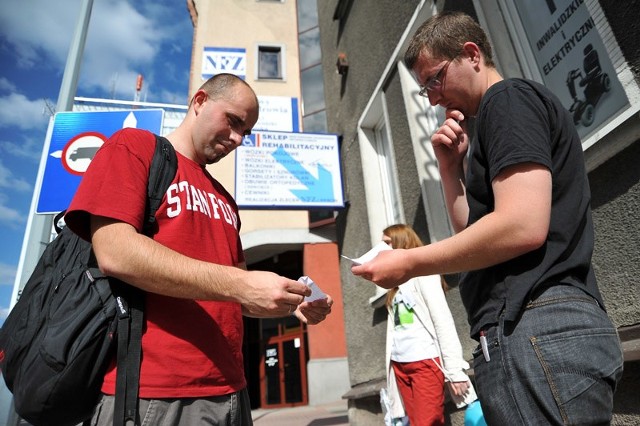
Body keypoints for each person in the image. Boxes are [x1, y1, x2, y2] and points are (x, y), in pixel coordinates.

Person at [352, 11, 623, 425]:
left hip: (539, 322)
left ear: (471, 54)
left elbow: (521, 227)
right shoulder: (490, 125)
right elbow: (478, 239)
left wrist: (410, 263)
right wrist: (449, 170)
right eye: (424, 89)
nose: (433, 98)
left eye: (434, 79)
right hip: (527, 329)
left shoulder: (508, 100)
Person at [64, 73, 333, 426]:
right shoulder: (134, 147)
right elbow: (114, 251)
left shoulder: (225, 200)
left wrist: (290, 303)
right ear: (200, 101)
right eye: (234, 121)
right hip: (153, 396)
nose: (238, 138)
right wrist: (240, 284)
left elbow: (232, 295)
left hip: (232, 392)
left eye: (246, 132)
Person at [382, 224, 472, 426]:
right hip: (400, 363)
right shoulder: (393, 283)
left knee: (428, 422)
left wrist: (455, 370)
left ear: (401, 242)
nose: (382, 248)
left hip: (424, 361)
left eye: (387, 243)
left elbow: (443, 321)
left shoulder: (424, 274)